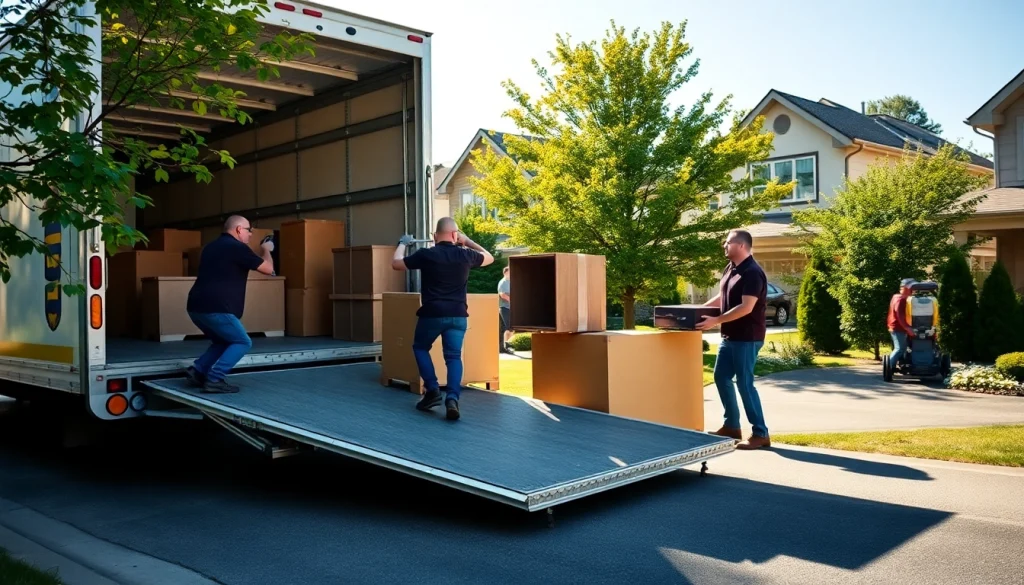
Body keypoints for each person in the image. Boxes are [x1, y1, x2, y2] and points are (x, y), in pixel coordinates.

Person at [392, 217, 494, 421]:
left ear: (434, 236)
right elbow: (489, 257)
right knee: (454, 357)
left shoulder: (427, 254)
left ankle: (432, 390)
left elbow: (396, 264)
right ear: (455, 235)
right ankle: (452, 399)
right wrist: (467, 241)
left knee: (420, 348)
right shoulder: (466, 255)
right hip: (458, 315)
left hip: (432, 313)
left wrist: (403, 243)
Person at [696, 229, 771, 450]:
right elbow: (723, 296)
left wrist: (716, 320)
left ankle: (760, 433)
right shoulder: (731, 268)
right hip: (730, 336)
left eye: (727, 242)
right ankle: (731, 426)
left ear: (741, 245)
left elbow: (746, 307)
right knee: (721, 377)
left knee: (745, 384)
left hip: (747, 338)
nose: (724, 246)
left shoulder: (753, 272)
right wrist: (698, 311)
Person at [183, 215, 274, 393]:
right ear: (239, 229)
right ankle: (215, 379)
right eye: (249, 230)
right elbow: (269, 270)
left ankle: (197, 371)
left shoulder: (210, 247)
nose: (250, 234)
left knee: (222, 340)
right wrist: (267, 249)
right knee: (242, 342)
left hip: (195, 306)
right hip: (217, 307)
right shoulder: (237, 247)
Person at [887, 278, 916, 366]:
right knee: (900, 349)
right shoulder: (900, 300)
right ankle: (888, 368)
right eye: (912, 288)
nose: (913, 290)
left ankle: (902, 363)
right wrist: (907, 328)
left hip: (897, 327)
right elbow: (899, 316)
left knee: (903, 348)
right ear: (906, 288)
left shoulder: (897, 297)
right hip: (897, 327)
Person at [497, 265, 514, 354]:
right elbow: (502, 295)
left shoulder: (511, 282)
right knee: (507, 327)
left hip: (511, 308)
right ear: (505, 273)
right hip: (504, 308)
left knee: (512, 327)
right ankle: (504, 346)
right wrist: (513, 301)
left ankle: (507, 345)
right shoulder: (503, 282)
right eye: (510, 272)